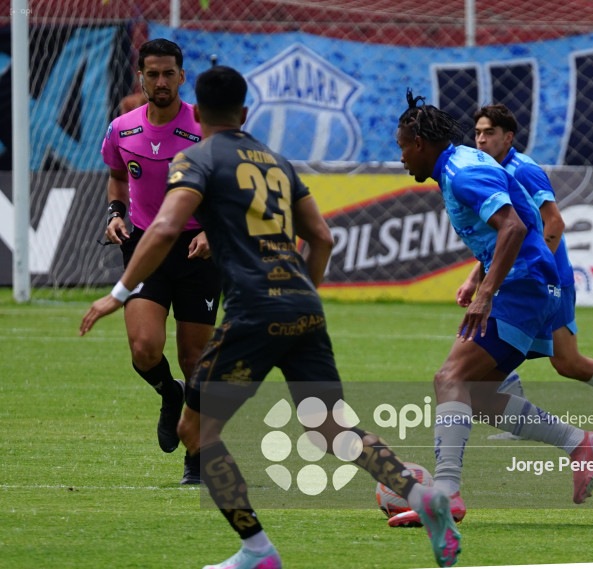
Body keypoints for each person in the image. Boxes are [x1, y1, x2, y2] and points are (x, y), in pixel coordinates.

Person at [81, 66, 461, 569]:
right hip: (302, 305)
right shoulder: (276, 162)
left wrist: (120, 291)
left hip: (252, 311)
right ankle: (419, 494)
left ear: (199, 110)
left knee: (197, 431)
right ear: (244, 113)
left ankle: (257, 549)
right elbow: (322, 238)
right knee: (330, 429)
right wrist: (301, 293)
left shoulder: (195, 158)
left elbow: (166, 225)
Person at [387, 91, 593, 528]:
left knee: (449, 378)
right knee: (482, 397)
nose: (400, 158)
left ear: (419, 142)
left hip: (521, 287)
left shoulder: (461, 172)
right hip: (529, 285)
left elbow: (514, 225)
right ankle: (580, 443)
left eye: (401, 147)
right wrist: (482, 279)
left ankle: (447, 494)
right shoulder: (460, 164)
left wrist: (486, 290)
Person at [466, 103, 593, 443]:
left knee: (567, 363)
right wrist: (475, 278)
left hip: (545, 278)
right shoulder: (484, 170)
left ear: (508, 137)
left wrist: (535, 271)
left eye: (489, 133)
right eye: (477, 132)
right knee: (485, 340)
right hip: (517, 277)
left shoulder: (522, 169)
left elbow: (554, 222)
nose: (480, 140)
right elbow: (502, 236)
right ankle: (519, 418)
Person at [100, 38, 221, 485]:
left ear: (182, 77)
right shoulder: (122, 129)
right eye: (152, 74)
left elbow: (224, 187)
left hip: (197, 250)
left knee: (195, 359)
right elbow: (116, 178)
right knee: (144, 348)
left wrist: (212, 228)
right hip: (146, 247)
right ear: (141, 77)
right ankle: (168, 395)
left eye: (169, 73)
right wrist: (115, 214)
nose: (161, 81)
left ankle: (198, 454)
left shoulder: (204, 127)